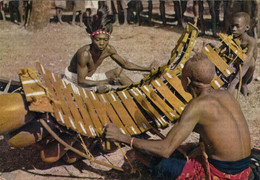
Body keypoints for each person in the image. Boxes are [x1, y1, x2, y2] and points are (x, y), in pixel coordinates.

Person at [105, 53, 251, 179]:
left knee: (150, 159)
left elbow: (165, 149)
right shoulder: (226, 95)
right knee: (183, 149)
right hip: (245, 169)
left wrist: (122, 137)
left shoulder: (197, 106)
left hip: (224, 174)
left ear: (187, 81)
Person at [65, 8, 155, 91]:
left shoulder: (108, 49)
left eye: (105, 40)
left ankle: (140, 93)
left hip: (89, 79)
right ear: (92, 39)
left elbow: (125, 64)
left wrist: (148, 69)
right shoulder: (84, 54)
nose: (101, 43)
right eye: (98, 39)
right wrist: (107, 81)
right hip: (74, 81)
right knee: (104, 87)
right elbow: (81, 81)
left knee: (117, 73)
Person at [228, 12, 257, 96]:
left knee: (251, 61)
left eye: (237, 26)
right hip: (234, 68)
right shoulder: (233, 37)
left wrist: (234, 83)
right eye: (232, 26)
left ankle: (242, 84)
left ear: (247, 27)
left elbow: (247, 59)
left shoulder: (251, 41)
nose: (233, 29)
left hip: (246, 72)